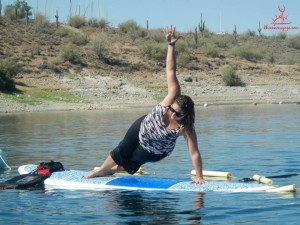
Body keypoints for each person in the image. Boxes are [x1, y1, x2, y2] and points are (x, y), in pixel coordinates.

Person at [84, 25, 206, 184]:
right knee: (123, 149)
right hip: (143, 126)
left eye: (177, 114)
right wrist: (171, 45)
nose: (172, 114)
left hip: (156, 150)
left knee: (130, 165)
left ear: (185, 116)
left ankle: (110, 170)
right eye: (171, 109)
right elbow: (171, 70)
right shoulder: (172, 96)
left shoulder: (187, 127)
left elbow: (194, 152)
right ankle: (101, 170)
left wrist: (199, 177)